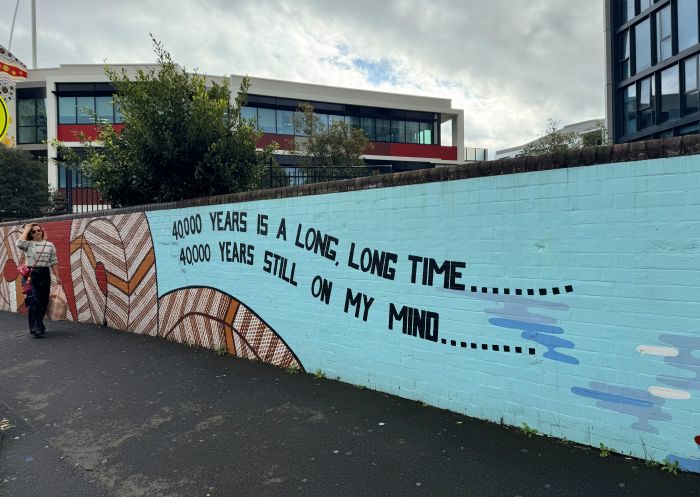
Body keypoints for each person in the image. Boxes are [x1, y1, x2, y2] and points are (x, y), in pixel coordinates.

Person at [16, 223, 62, 337]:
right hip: (31, 274)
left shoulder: (49, 245)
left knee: (43, 301)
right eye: (34, 231)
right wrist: (27, 229)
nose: (37, 232)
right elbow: (19, 243)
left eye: (39, 230)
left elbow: (54, 261)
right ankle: (35, 327)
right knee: (34, 300)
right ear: (30, 235)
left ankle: (39, 324)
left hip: (45, 274)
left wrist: (57, 276)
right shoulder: (29, 244)